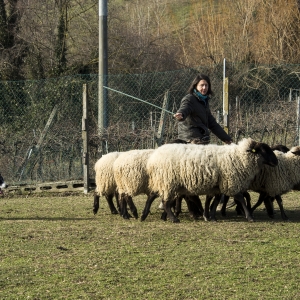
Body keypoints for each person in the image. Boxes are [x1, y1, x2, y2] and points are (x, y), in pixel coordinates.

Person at [174, 74, 232, 145]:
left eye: (206, 85)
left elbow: (212, 124)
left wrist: (226, 139)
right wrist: (181, 114)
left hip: (201, 140)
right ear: (195, 86)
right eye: (202, 85)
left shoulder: (204, 102)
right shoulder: (190, 99)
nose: (204, 88)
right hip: (189, 141)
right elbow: (185, 108)